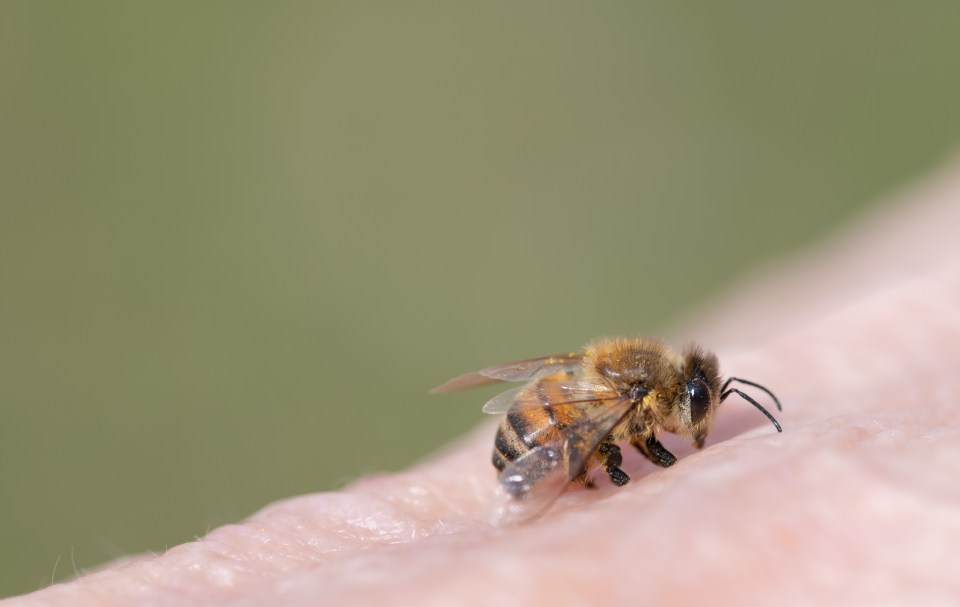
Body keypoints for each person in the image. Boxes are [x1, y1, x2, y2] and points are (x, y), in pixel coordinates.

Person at [10, 160, 960, 606]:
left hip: (555, 399)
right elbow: (583, 427)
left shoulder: (630, 373)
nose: (701, 426)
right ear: (668, 398)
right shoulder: (629, 400)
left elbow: (554, 378)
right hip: (552, 430)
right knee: (589, 469)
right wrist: (594, 481)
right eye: (700, 416)